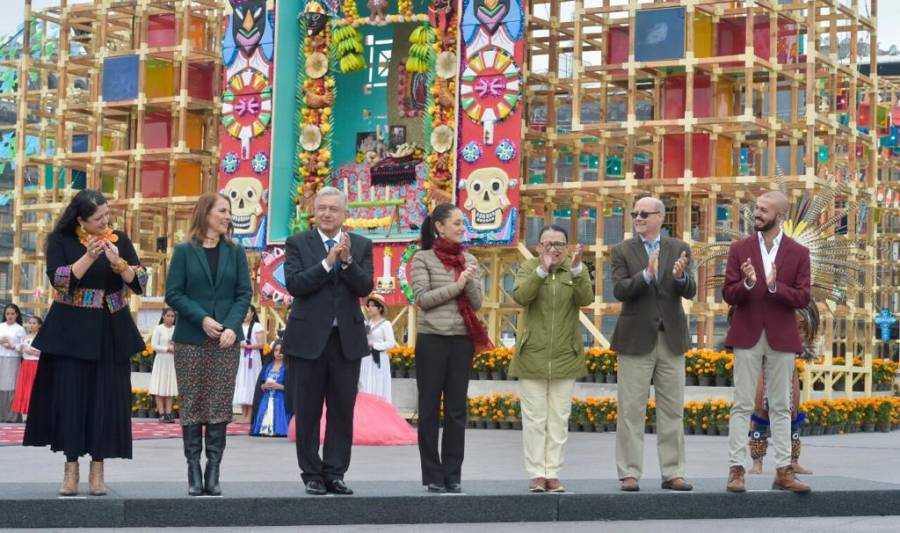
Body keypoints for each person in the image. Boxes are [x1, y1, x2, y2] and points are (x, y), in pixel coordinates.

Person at [23, 189, 147, 496]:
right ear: (81, 220)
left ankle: (98, 469)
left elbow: (140, 281)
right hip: (71, 333)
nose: (106, 221)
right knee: (72, 397)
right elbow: (60, 281)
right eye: (98, 218)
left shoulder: (118, 239)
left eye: (107, 214)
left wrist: (119, 264)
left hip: (111, 330)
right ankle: (71, 468)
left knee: (105, 398)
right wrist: (89, 256)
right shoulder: (61, 242)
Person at [281, 186, 374, 496]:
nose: (327, 213)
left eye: (333, 209)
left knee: (342, 410)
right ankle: (311, 473)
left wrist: (346, 261)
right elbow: (296, 284)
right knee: (307, 410)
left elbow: (364, 286)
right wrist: (326, 263)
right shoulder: (297, 243)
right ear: (314, 211)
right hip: (307, 339)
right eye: (322, 208)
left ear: (344, 213)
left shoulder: (360, 244)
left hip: (345, 340)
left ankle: (335, 472)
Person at [723, 191, 811, 494]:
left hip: (782, 336)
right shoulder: (739, 248)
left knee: (782, 406)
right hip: (747, 333)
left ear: (780, 215)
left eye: (763, 210)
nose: (757, 213)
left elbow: (803, 297)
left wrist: (775, 286)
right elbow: (728, 293)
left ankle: (784, 471)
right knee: (742, 403)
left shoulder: (799, 253)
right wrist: (748, 283)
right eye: (756, 208)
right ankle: (736, 470)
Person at [165, 192, 252, 496]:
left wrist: (231, 326)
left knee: (218, 404)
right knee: (192, 404)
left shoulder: (236, 252)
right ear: (205, 214)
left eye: (229, 212)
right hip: (191, 339)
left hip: (226, 343)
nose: (229, 216)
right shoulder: (184, 251)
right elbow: (173, 294)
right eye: (223, 211)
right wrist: (201, 318)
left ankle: (213, 469)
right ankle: (193, 468)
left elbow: (244, 294)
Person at [609, 196, 695, 492]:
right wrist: (646, 275)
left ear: (660, 217)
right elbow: (619, 290)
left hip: (671, 340)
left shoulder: (680, 248)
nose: (638, 218)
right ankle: (629, 473)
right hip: (635, 341)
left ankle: (673, 472)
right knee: (631, 410)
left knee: (672, 410)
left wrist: (681, 277)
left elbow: (691, 290)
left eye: (644, 214)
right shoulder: (622, 250)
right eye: (635, 213)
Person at [410, 202, 489, 494]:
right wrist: (458, 285)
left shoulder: (468, 260)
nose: (461, 227)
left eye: (462, 223)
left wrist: (467, 281)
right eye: (456, 223)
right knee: (429, 409)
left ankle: (453, 473)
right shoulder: (422, 259)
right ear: (439, 227)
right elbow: (424, 299)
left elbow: (478, 303)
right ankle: (432, 474)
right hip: (432, 339)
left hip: (461, 341)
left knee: (457, 410)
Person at [510, 225, 593, 493]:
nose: (553, 249)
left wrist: (580, 270)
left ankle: (553, 472)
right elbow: (521, 296)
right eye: (548, 244)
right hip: (532, 354)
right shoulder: (529, 268)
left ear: (567, 248)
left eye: (559, 244)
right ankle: (536, 473)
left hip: (565, 355)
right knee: (534, 419)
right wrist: (542, 270)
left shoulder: (575, 270)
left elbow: (586, 299)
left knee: (558, 418)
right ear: (538, 247)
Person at [250, 341, 290, 437]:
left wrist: (279, 386)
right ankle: (264, 429)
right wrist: (264, 386)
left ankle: (278, 430)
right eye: (276, 350)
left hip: (280, 399)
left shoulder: (287, 367)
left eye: (281, 351)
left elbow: (292, 387)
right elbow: (261, 383)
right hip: (266, 398)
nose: (278, 353)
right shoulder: (268, 366)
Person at [233, 305, 265, 423]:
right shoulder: (238, 326)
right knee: (241, 381)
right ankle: (243, 413)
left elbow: (261, 344)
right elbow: (235, 342)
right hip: (241, 358)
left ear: (252, 314)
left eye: (247, 312)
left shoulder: (257, 326)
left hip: (252, 357)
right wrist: (241, 345)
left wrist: (250, 346)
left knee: (251, 381)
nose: (245, 314)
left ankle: (250, 415)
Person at [361, 293, 395, 403]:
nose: (369, 308)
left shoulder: (386, 324)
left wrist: (374, 345)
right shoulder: (366, 323)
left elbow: (391, 343)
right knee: (364, 385)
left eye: (372, 306)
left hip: (379, 360)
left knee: (378, 386)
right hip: (366, 359)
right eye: (368, 306)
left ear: (380, 308)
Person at [149, 308, 178, 423]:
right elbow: (154, 346)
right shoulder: (158, 328)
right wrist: (167, 348)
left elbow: (181, 344)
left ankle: (169, 413)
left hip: (172, 361)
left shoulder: (176, 329)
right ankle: (161, 413)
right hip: (161, 360)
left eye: (173, 316)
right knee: (160, 386)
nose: (171, 318)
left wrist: (176, 345)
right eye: (169, 316)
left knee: (170, 387)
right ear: (163, 316)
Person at [12, 316, 43, 419]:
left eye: (34, 323)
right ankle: (25, 413)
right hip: (26, 364)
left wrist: (31, 351)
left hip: (36, 364)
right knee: (24, 387)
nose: (31, 325)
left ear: (39, 325)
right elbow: (18, 348)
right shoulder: (25, 337)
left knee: (33, 388)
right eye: (30, 323)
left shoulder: (42, 338)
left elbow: (44, 354)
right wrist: (19, 347)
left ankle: (36, 413)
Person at [0, 303, 26, 422]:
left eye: (12, 313)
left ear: (16, 315)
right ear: (5, 315)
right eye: (8, 313)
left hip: (13, 359)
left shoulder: (20, 329)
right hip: (1, 357)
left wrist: (13, 346)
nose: (10, 316)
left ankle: (12, 416)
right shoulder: (1, 326)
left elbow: (23, 346)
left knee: (12, 386)